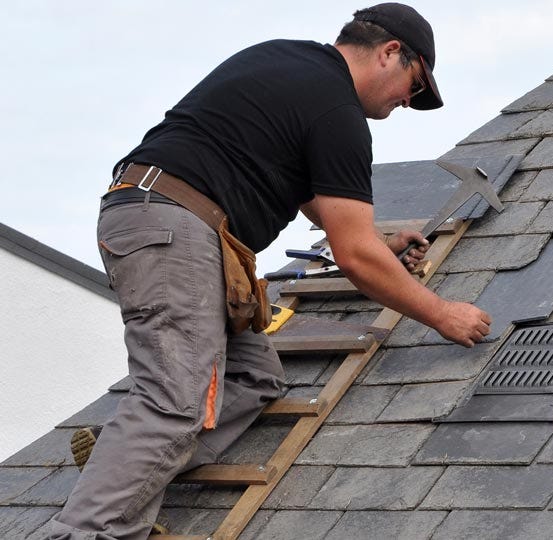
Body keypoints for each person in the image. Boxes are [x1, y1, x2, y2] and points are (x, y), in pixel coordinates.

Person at [50, 3, 491, 538]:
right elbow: (353, 258)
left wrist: (383, 242)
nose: (407, 101)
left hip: (162, 220)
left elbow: (324, 209)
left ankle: (119, 461)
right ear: (390, 52)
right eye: (414, 86)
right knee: (174, 399)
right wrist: (443, 314)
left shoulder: (285, 61)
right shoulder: (338, 113)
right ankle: (87, 528)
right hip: (176, 228)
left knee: (253, 377)